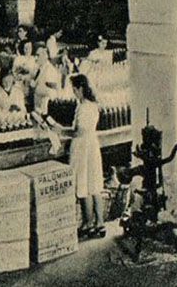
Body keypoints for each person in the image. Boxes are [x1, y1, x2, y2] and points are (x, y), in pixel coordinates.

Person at [64, 74, 106, 239]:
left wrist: (61, 130)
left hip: (83, 147)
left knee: (83, 185)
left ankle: (88, 223)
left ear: (80, 89)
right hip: (92, 145)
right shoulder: (91, 105)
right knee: (94, 184)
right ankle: (100, 223)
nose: (74, 93)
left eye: (74, 89)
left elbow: (79, 131)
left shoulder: (84, 107)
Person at [31, 47, 61, 116]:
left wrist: (35, 88)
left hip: (45, 107)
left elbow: (51, 91)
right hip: (38, 105)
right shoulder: (39, 68)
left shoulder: (50, 70)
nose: (36, 58)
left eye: (38, 55)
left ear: (45, 56)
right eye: (36, 55)